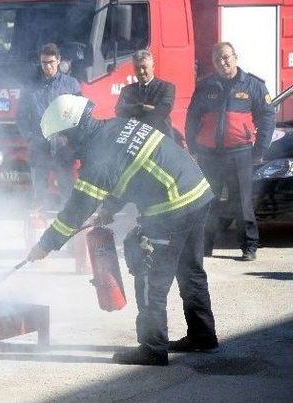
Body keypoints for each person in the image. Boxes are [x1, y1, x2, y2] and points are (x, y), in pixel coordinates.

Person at [27, 94, 218, 366]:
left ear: (74, 130)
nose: (63, 145)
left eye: (62, 138)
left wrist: (45, 244)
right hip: (197, 194)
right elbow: (132, 169)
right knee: (190, 271)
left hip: (172, 207)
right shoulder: (116, 127)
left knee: (150, 277)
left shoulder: (97, 160)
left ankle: (153, 348)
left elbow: (75, 211)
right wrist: (110, 207)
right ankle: (203, 335)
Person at [186, 42, 275, 262]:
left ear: (235, 57)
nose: (222, 62)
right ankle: (204, 246)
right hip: (209, 154)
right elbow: (192, 118)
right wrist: (193, 147)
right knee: (206, 200)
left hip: (240, 153)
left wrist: (260, 148)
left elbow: (267, 116)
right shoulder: (205, 86)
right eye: (217, 59)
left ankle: (249, 247)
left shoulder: (253, 85)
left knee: (242, 201)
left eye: (226, 57)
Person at [17, 43, 81, 209]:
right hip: (39, 146)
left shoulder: (71, 85)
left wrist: (72, 140)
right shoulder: (30, 87)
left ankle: (68, 223)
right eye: (44, 63)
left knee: (66, 189)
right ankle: (38, 222)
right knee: (39, 190)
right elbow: (21, 116)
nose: (48, 66)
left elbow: (80, 115)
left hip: (63, 146)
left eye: (51, 62)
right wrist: (30, 137)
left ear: (59, 61)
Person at [115, 49, 176, 139]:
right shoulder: (127, 90)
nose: (141, 72)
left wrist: (132, 112)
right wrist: (142, 107)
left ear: (153, 67)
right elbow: (119, 110)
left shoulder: (167, 87)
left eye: (144, 67)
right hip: (134, 140)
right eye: (137, 68)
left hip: (161, 139)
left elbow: (162, 111)